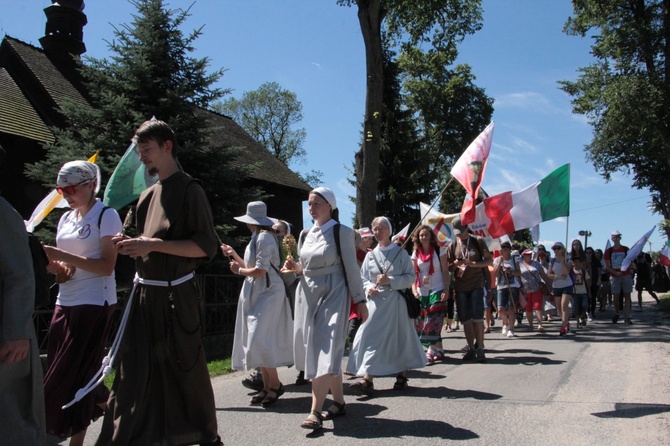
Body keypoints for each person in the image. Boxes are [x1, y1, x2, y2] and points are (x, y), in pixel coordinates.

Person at [99, 120, 223, 445]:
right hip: (144, 299)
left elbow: (205, 247)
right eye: (139, 152)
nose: (142, 158)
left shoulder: (189, 190)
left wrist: (153, 245)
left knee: (185, 373)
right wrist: (126, 244)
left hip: (176, 297)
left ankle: (204, 436)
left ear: (168, 146)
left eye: (147, 150)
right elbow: (138, 240)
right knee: (132, 373)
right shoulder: (146, 197)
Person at [42, 161, 122, 446]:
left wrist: (60, 254)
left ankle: (77, 441)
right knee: (72, 373)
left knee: (72, 377)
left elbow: (105, 267)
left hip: (94, 303)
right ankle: (122, 415)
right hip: (66, 301)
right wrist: (58, 269)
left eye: (72, 188)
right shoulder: (66, 219)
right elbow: (69, 269)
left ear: (91, 184)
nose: (66, 195)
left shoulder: (106, 216)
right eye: (61, 190)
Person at [283, 187, 368, 430]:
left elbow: (352, 268)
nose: (311, 207)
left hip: (334, 292)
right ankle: (339, 403)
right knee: (323, 349)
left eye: (316, 203)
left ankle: (315, 411)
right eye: (309, 203)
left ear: (329, 205)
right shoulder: (304, 234)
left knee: (323, 348)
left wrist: (360, 300)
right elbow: (305, 267)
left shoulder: (341, 232)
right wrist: (296, 267)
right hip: (308, 294)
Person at [221, 202, 293, 406]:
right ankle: (268, 386)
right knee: (258, 339)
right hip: (258, 292)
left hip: (268, 292)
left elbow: (260, 271)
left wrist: (238, 271)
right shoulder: (256, 238)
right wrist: (234, 254)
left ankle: (276, 385)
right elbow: (251, 267)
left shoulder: (264, 238)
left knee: (258, 339)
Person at [0, 145, 47, 446]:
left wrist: (16, 331)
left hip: (6, 333)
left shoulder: (2, 211)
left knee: (12, 417)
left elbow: (19, 274)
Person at [347, 217, 425, 393]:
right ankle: (368, 378)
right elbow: (363, 278)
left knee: (398, 337)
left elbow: (411, 277)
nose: (377, 231)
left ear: (389, 230)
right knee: (368, 336)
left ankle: (401, 375)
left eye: (381, 228)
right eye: (375, 228)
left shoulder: (401, 253)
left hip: (396, 304)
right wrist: (368, 289)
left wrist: (390, 280)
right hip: (375, 304)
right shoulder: (370, 255)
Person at [446, 216, 492, 362]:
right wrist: (454, 264)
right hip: (460, 287)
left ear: (467, 227)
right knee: (465, 319)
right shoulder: (453, 245)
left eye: (461, 231)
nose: (459, 234)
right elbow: (448, 267)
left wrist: (472, 264)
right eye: (457, 232)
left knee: (477, 317)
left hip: (476, 285)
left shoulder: (477, 241)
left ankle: (481, 349)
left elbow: (488, 261)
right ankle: (471, 348)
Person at [410, 225, 449, 363]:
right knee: (423, 320)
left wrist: (446, 289)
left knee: (433, 319)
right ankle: (440, 349)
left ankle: (431, 349)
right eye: (421, 235)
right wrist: (414, 290)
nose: (423, 237)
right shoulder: (415, 253)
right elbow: (413, 273)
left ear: (431, 236)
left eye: (426, 234)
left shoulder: (440, 251)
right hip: (422, 290)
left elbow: (445, 271)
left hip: (437, 288)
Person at [492, 241, 521, 338]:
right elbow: (495, 274)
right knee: (500, 309)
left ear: (509, 250)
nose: (503, 250)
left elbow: (519, 273)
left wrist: (509, 272)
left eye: (505, 248)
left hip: (512, 286)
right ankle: (505, 323)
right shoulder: (496, 260)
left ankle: (511, 329)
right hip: (501, 286)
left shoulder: (514, 259)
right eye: (502, 248)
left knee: (511, 308)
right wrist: (500, 262)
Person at [604, 230, 634, 325]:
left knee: (627, 295)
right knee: (615, 297)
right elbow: (607, 266)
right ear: (612, 238)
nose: (615, 238)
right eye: (614, 237)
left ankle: (627, 316)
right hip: (614, 275)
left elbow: (630, 261)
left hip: (626, 274)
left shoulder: (625, 249)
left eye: (617, 236)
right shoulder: (609, 251)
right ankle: (617, 312)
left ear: (620, 237)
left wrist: (628, 269)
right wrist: (615, 273)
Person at [519, 248, 550, 332]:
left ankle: (540, 324)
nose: (529, 256)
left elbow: (543, 275)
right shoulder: (520, 265)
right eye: (527, 254)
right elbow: (518, 276)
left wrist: (549, 284)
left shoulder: (537, 264)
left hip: (537, 288)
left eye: (530, 254)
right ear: (523, 256)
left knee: (537, 307)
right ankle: (530, 325)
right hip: (525, 290)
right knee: (528, 308)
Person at [547, 242, 573, 336]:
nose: (556, 250)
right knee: (559, 307)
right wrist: (556, 276)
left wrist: (562, 262)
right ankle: (565, 322)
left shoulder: (568, 260)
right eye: (554, 248)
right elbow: (549, 274)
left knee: (563, 305)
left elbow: (566, 273)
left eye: (558, 248)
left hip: (567, 285)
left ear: (562, 249)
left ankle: (563, 326)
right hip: (556, 286)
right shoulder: (552, 261)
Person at [571, 255, 591, 328]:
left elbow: (588, 281)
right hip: (574, 292)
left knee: (584, 305)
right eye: (574, 262)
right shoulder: (571, 271)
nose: (576, 263)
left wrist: (589, 292)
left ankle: (583, 316)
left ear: (580, 263)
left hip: (583, 292)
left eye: (577, 262)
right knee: (576, 308)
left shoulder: (583, 271)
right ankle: (578, 321)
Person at [584, 246, 601, 321]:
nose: (588, 254)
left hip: (594, 281)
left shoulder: (596, 261)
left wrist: (599, 280)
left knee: (593, 297)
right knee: (587, 297)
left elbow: (599, 272)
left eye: (590, 252)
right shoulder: (584, 262)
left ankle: (592, 312)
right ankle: (587, 312)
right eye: (586, 252)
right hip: (585, 282)